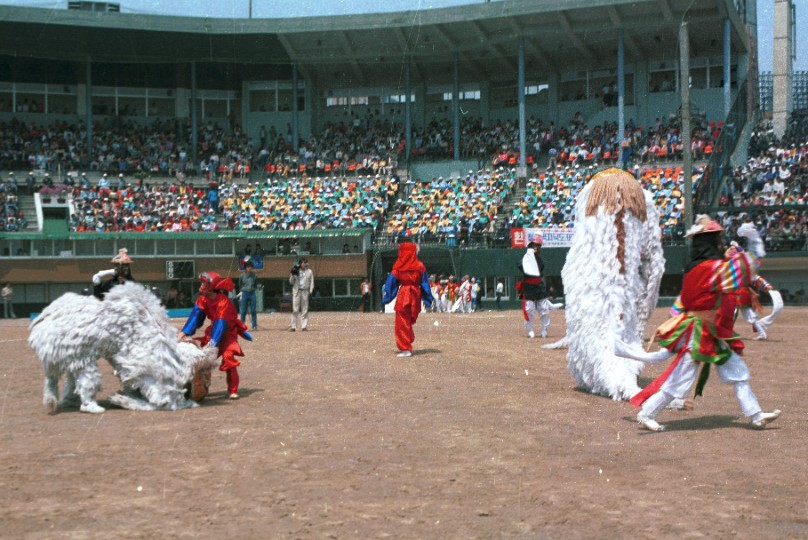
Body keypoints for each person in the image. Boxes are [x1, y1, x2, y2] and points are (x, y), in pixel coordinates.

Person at [616, 215, 781, 432]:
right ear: (712, 243)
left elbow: (680, 304)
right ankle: (646, 413)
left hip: (707, 332)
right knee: (681, 378)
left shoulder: (693, 270)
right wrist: (754, 240)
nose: (721, 243)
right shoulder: (713, 269)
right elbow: (748, 268)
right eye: (717, 239)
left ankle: (756, 414)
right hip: (702, 334)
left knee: (738, 372)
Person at [178, 271, 251, 400]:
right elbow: (196, 316)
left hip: (227, 335)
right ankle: (202, 386)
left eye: (204, 283)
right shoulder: (203, 299)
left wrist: (212, 343)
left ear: (212, 286)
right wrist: (184, 332)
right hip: (213, 333)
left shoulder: (224, 302)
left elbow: (221, 324)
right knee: (202, 360)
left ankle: (233, 390)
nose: (201, 285)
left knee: (229, 360)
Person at [382, 241, 433, 357]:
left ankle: (405, 347)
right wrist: (427, 300)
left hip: (404, 295)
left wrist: (387, 298)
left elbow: (391, 283)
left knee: (401, 322)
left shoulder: (398, 266)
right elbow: (425, 283)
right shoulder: (420, 266)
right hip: (415, 294)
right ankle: (408, 339)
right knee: (408, 320)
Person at [516, 239, 555, 338]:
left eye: (538, 246)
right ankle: (530, 330)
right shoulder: (524, 259)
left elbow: (539, 269)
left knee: (544, 309)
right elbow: (520, 265)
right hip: (528, 286)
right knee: (529, 309)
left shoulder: (540, 261)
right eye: (534, 246)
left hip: (538, 286)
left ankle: (544, 329)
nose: (536, 248)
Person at [289, 258, 314, 331]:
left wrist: (311, 290)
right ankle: (293, 326)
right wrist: (292, 275)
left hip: (305, 291)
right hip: (297, 291)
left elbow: (312, 281)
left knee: (305, 309)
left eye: (306, 262)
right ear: (300, 264)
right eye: (304, 262)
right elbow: (291, 282)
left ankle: (304, 326)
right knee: (295, 309)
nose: (305, 264)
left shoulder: (309, 271)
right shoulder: (296, 271)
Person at [239, 260, 259, 330]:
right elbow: (240, 284)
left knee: (253, 310)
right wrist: (243, 289)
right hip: (244, 293)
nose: (250, 269)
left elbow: (256, 284)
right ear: (246, 268)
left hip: (252, 293)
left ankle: (254, 325)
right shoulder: (242, 276)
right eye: (248, 267)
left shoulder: (254, 276)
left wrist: (253, 288)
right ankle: (242, 325)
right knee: (243, 311)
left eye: (251, 267)